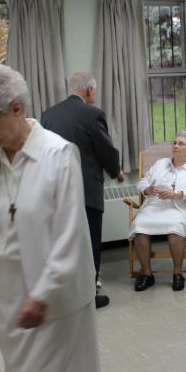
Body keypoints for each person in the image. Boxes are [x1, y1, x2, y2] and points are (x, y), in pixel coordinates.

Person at [0, 64, 102, 372]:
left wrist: (41, 295)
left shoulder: (58, 154)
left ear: (16, 108)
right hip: (7, 291)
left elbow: (71, 235)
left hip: (55, 293)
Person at [40, 72, 123, 309]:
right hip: (86, 190)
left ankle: (64, 290)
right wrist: (115, 170)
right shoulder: (93, 114)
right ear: (89, 90)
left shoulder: (48, 115)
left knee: (63, 242)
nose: (95, 94)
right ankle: (89, 293)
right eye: (94, 90)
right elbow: (105, 149)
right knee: (89, 242)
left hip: (55, 190)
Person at [130, 130, 186, 292]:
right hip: (153, 206)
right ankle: (146, 273)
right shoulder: (160, 164)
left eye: (180, 144)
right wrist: (148, 189)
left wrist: (178, 194)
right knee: (139, 225)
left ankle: (177, 273)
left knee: (175, 226)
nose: (175, 146)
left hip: (178, 207)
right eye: (174, 143)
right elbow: (143, 182)